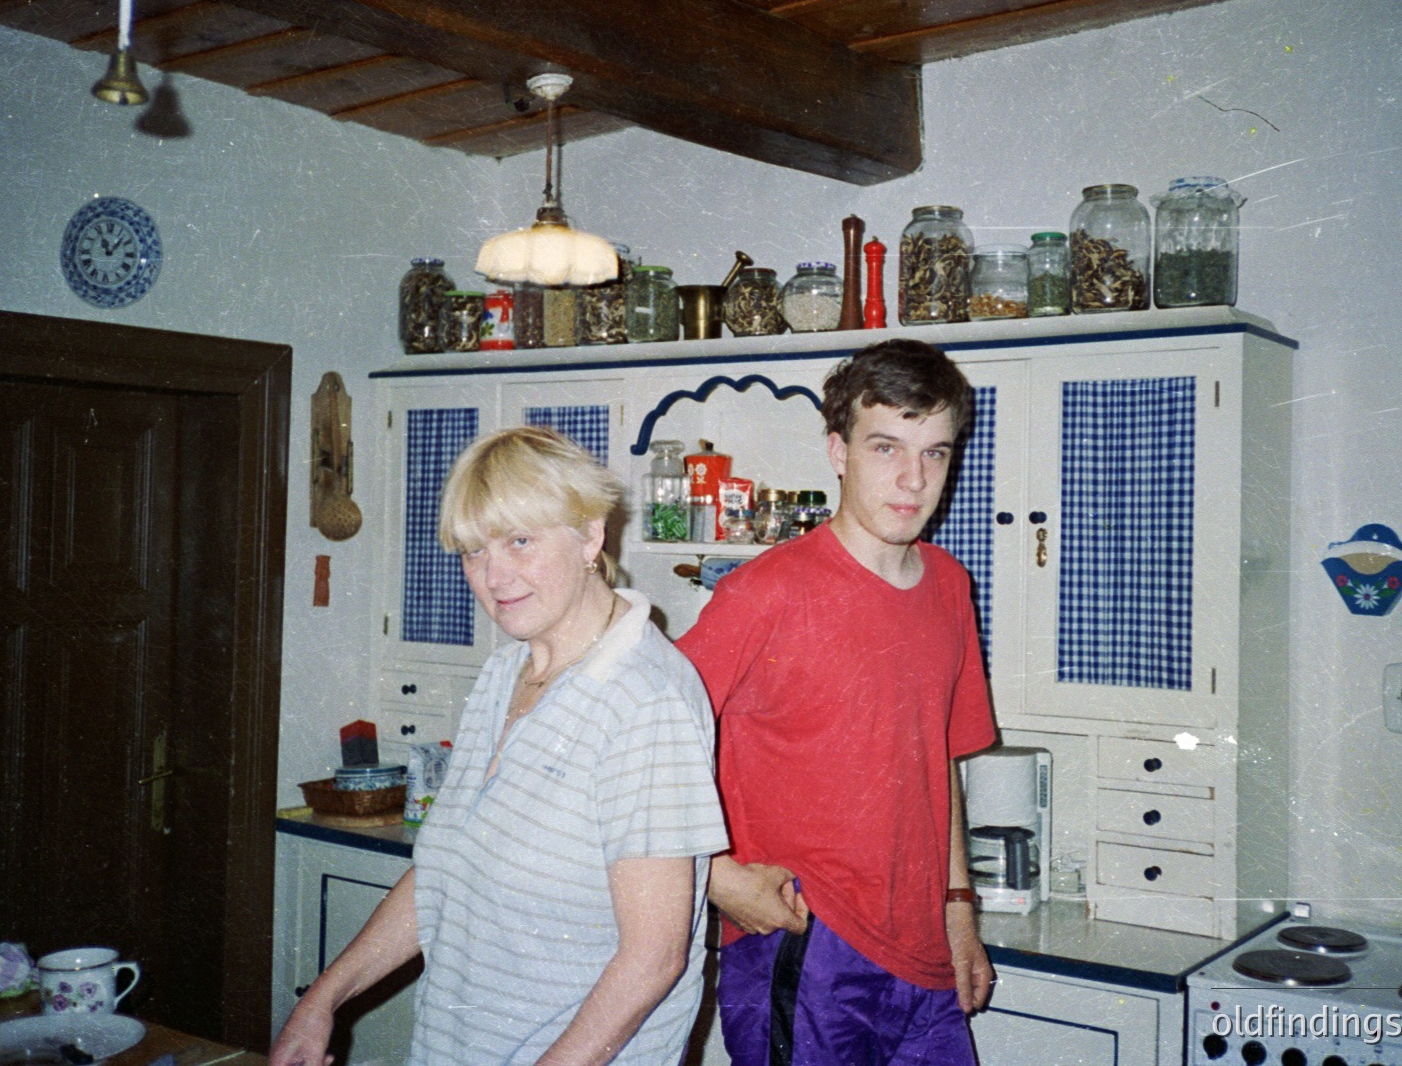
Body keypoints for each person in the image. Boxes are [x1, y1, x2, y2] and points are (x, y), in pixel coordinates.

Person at [270, 427, 728, 1066]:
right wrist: (323, 1000)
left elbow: (652, 960)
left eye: (520, 541)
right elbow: (444, 870)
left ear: (591, 535)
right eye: (472, 551)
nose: (494, 576)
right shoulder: (505, 673)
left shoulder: (646, 700)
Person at [676, 338, 998, 1065]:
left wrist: (959, 912)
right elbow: (637, 745)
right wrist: (719, 879)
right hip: (807, 944)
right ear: (837, 449)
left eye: (936, 452)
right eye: (886, 447)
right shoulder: (765, 593)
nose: (913, 479)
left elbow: (937, 757)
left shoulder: (949, 586)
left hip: (924, 953)